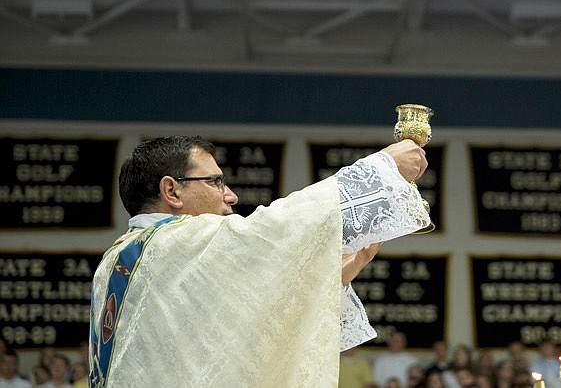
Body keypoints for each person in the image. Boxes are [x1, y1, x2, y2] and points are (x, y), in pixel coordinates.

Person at [88, 135, 431, 387]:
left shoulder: (117, 260)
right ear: (172, 191)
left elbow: (235, 330)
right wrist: (383, 168)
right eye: (215, 181)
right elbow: (274, 229)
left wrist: (330, 281)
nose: (230, 195)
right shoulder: (174, 244)